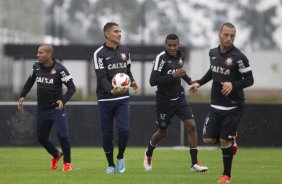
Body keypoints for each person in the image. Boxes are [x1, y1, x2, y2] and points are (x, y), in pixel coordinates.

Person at [189, 22, 254, 183]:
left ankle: (227, 176)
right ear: (220, 34)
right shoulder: (212, 53)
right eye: (226, 34)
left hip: (234, 106)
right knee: (208, 140)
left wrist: (233, 84)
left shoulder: (239, 58)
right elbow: (212, 71)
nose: (229, 38)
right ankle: (231, 139)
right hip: (215, 105)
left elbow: (250, 80)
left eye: (232, 35)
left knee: (224, 141)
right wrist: (199, 83)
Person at [143, 34, 208, 173]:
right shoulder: (160, 58)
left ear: (178, 45)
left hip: (179, 98)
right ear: (165, 45)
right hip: (164, 101)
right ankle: (149, 153)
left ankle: (194, 163)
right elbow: (153, 81)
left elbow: (181, 72)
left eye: (174, 45)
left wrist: (190, 81)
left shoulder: (180, 56)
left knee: (191, 125)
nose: (172, 48)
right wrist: (173, 75)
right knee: (162, 133)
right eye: (169, 45)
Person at [18, 44, 76, 172]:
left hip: (57, 109)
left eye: (41, 52)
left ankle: (67, 163)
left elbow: (72, 88)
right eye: (38, 52)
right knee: (41, 138)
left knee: (63, 135)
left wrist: (63, 100)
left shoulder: (60, 69)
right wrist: (22, 95)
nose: (38, 54)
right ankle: (56, 155)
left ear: (49, 55)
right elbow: (30, 80)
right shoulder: (36, 66)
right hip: (42, 109)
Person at [92, 22, 139, 174]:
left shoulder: (126, 51)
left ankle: (120, 157)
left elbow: (128, 71)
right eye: (116, 31)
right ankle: (110, 165)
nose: (119, 34)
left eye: (120, 31)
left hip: (123, 98)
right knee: (107, 135)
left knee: (124, 130)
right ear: (107, 34)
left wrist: (132, 82)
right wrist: (111, 90)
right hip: (105, 99)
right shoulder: (99, 53)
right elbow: (101, 77)